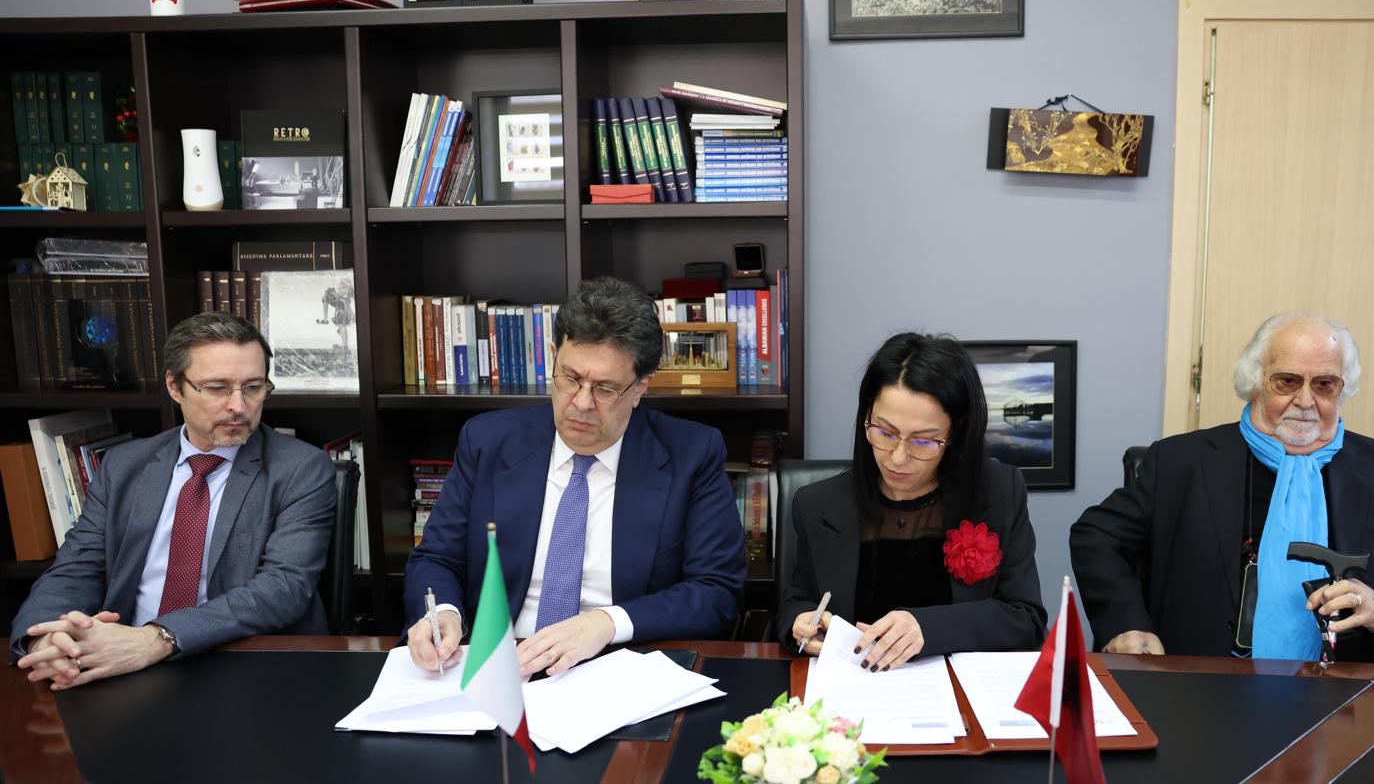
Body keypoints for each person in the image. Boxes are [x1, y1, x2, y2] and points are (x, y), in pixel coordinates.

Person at [1071, 312, 1374, 664]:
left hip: (1354, 687)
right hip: (1205, 682)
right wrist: (1126, 624)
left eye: (1324, 384)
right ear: (1255, 381)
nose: (1305, 400)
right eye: (1287, 381)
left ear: (1343, 389)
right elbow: (1097, 536)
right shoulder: (1180, 461)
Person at [404, 276, 746, 676]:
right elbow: (437, 558)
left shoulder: (691, 454)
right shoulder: (488, 442)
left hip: (619, 667)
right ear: (553, 357)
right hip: (499, 668)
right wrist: (444, 612)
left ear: (640, 387)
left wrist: (607, 622)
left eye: (605, 389)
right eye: (570, 379)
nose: (581, 403)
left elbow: (716, 591)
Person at [10, 312, 336, 688]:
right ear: (175, 386)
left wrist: (156, 639)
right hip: (118, 662)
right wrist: (46, 639)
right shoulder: (124, 465)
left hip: (241, 666)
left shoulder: (300, 468)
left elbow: (283, 588)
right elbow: (77, 568)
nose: (238, 405)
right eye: (217, 388)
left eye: (253, 387)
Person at [779, 333, 1047, 671]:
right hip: (853, 688)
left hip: (957, 688)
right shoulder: (817, 504)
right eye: (885, 432)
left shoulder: (999, 492)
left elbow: (1025, 618)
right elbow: (795, 602)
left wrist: (928, 628)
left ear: (955, 433)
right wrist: (799, 622)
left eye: (922, 441)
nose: (898, 458)